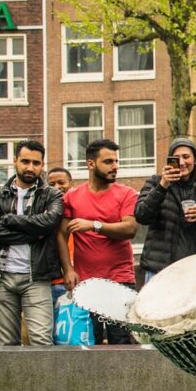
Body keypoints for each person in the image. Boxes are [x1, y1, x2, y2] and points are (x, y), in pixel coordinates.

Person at [58, 139, 139, 345]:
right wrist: (68, 268)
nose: (115, 166)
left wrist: (94, 225)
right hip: (86, 283)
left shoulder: (126, 194)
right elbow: (61, 234)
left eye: (116, 161)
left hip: (119, 279)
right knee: (87, 341)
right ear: (91, 164)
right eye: (108, 161)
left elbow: (130, 229)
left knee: (120, 342)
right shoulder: (72, 197)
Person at [0, 141, 63, 346]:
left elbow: (50, 222)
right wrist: (34, 233)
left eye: (36, 163)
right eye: (25, 161)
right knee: (6, 345)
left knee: (41, 342)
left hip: (37, 276)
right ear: (15, 161)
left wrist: (10, 221)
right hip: (3, 276)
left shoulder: (52, 194)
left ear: (42, 165)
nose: (30, 167)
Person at [134, 138, 196, 285]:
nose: (182, 162)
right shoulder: (155, 182)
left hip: (193, 272)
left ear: (195, 160)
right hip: (159, 271)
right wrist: (162, 186)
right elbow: (141, 215)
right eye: (176, 158)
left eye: (186, 157)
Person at [45, 167, 73, 318]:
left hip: (77, 281)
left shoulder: (80, 210)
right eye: (52, 184)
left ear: (70, 184)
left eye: (61, 182)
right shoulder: (43, 213)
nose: (57, 187)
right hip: (50, 282)